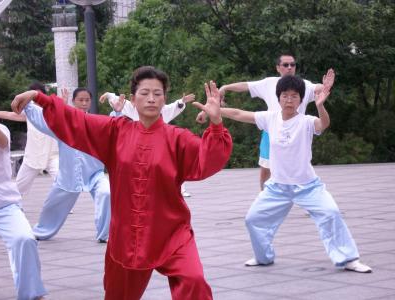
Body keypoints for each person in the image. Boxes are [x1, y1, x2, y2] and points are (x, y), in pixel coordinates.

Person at [11, 66, 233, 299]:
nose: (151, 99)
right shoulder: (115, 131)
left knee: (194, 281)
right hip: (128, 236)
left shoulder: (177, 138)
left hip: (171, 233)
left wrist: (216, 123)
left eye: (157, 94)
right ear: (133, 99)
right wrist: (40, 97)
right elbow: (76, 121)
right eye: (144, 92)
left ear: (164, 99)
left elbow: (208, 159)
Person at [220, 75, 372, 273]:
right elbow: (239, 114)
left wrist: (320, 106)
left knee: (331, 213)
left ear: (301, 100)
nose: (289, 100)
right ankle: (263, 257)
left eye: (294, 96)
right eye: (285, 95)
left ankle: (348, 259)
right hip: (277, 187)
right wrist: (215, 109)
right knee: (253, 219)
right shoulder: (270, 119)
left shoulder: (307, 121)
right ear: (279, 98)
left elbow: (323, 124)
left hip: (307, 186)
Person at [198, 54, 334, 190]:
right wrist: (225, 87)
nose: (289, 68)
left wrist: (326, 86)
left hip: (298, 132)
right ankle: (265, 195)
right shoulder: (269, 84)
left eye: (292, 65)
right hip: (272, 129)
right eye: (285, 65)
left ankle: (306, 194)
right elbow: (245, 88)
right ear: (278, 68)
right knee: (266, 167)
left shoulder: (302, 85)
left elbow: (319, 89)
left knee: (300, 166)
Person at [21, 87, 110, 243]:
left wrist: (117, 112)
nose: (83, 103)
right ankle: (41, 231)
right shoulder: (64, 123)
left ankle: (105, 235)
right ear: (73, 101)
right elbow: (44, 121)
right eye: (80, 100)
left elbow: (116, 129)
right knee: (52, 206)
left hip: (95, 174)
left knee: (106, 193)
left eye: (87, 100)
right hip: (69, 175)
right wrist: (28, 104)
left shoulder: (95, 122)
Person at [100, 91, 196, 197]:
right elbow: (122, 102)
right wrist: (109, 95)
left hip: (159, 145)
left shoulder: (165, 111)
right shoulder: (136, 110)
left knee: (172, 166)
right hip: (140, 145)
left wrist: (182, 101)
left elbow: (175, 106)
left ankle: (179, 189)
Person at [0, 120, 47, 299]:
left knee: (24, 239)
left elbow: (2, 142)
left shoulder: (0, 130)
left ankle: (31, 294)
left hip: (3, 205)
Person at [0, 82, 59, 196]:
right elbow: (10, 115)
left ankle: (62, 207)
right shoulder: (29, 113)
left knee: (62, 182)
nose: (36, 100)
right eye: (33, 98)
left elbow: (66, 113)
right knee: (19, 187)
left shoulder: (53, 111)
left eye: (39, 96)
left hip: (52, 156)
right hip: (32, 157)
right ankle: (13, 206)